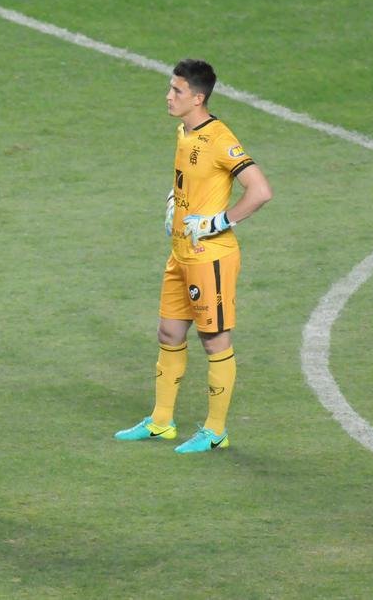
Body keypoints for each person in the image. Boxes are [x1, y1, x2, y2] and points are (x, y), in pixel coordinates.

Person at [114, 59, 272, 453]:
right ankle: (161, 421)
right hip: (180, 253)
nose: (168, 96)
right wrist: (174, 201)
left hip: (210, 257)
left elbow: (260, 191)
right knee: (168, 332)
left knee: (214, 339)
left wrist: (219, 220)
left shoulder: (220, 138)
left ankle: (215, 430)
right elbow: (187, 178)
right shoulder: (184, 131)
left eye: (177, 91)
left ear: (197, 98)